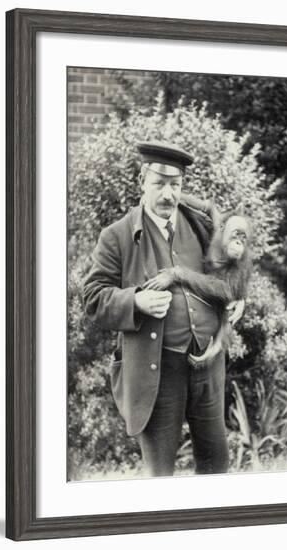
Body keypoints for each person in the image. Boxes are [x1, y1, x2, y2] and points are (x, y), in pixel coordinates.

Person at [82, 141, 242, 477]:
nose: (168, 194)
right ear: (142, 182)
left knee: (216, 465)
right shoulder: (117, 236)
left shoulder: (200, 224)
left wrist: (237, 296)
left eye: (176, 184)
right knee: (160, 476)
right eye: (159, 184)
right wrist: (136, 301)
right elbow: (94, 298)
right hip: (157, 371)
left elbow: (226, 268)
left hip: (208, 365)